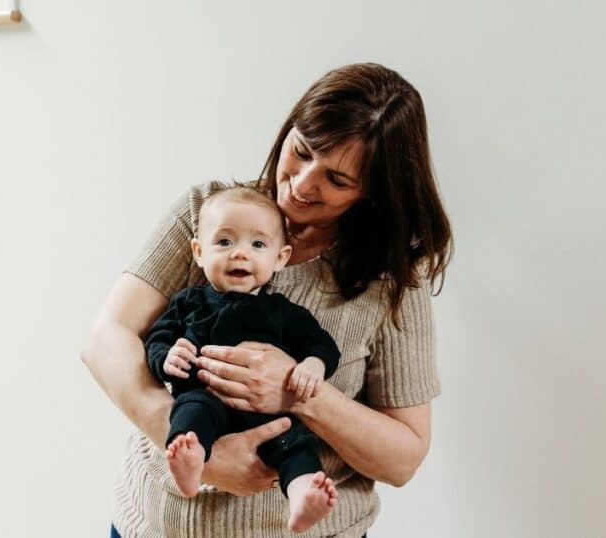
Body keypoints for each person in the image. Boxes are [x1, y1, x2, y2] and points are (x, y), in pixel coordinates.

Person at [82, 62, 453, 538]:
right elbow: (105, 341)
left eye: (337, 180)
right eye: (300, 151)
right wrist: (201, 452)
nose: (301, 184)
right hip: (157, 526)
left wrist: (300, 394)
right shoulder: (209, 212)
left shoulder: (391, 277)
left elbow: (404, 457)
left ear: (375, 190)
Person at [148, 186, 342, 532]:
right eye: (224, 242)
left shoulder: (282, 312)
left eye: (258, 245)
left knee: (294, 443)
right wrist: (166, 357)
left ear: (280, 258)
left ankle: (301, 496)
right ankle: (192, 462)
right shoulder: (189, 302)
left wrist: (313, 365)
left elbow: (321, 344)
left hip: (267, 416)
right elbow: (157, 338)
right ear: (199, 252)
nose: (240, 254)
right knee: (190, 415)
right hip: (206, 398)